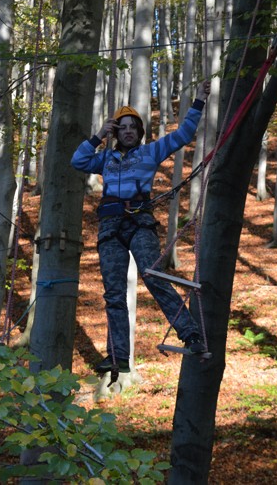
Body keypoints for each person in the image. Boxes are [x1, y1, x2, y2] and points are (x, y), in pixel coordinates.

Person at [71, 80, 212, 374]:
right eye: (122, 127)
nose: (128, 131)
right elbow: (78, 160)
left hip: (138, 224)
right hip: (110, 228)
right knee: (113, 293)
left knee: (154, 276)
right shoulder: (106, 159)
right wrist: (99, 135)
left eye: (133, 126)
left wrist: (199, 100)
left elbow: (184, 134)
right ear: (116, 133)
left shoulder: (150, 152)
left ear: (140, 131)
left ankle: (191, 334)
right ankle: (119, 356)